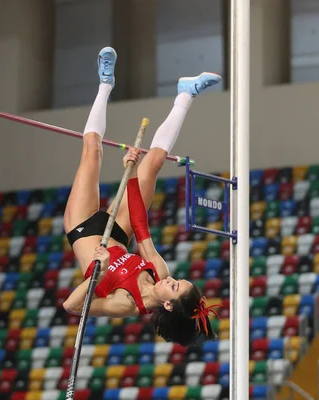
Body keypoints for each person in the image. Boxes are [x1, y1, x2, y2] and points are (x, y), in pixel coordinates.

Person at [62, 47, 221, 347]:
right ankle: (186, 95)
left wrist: (98, 275)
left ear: (169, 305)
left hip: (82, 228)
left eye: (173, 286)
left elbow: (71, 306)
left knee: (93, 152)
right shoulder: (159, 271)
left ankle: (105, 84)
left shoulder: (126, 304)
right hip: (118, 230)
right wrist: (132, 174)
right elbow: (140, 224)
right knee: (154, 164)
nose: (170, 279)